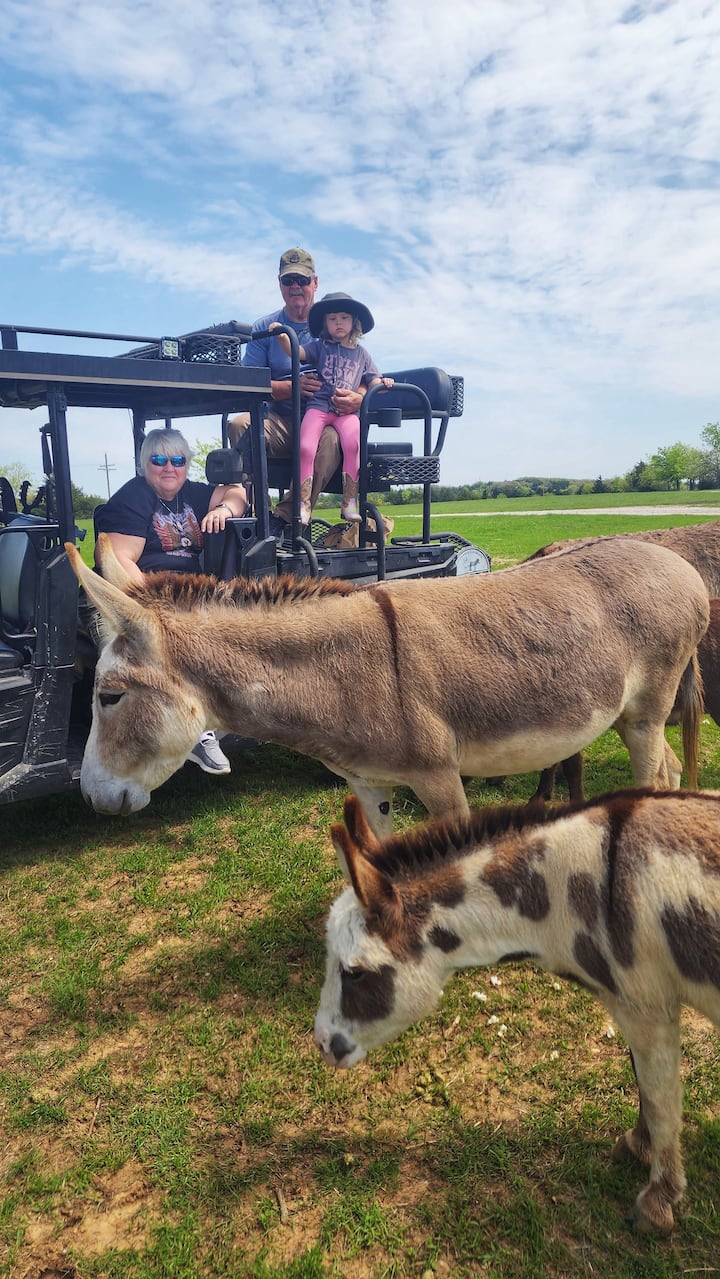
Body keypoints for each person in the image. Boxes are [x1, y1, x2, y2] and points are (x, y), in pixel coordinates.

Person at [94, 427, 247, 776]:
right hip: (129, 595)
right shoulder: (134, 497)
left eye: (177, 460)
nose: (169, 468)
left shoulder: (189, 493)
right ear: (144, 464)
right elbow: (119, 564)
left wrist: (224, 508)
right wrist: (154, 613)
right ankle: (186, 733)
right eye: (158, 460)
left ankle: (202, 723)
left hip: (183, 596)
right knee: (151, 651)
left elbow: (239, 492)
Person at [227, 248, 366, 537]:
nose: (295, 288)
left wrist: (359, 397)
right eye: (289, 281)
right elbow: (247, 384)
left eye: (302, 281)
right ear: (279, 284)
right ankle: (257, 517)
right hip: (281, 420)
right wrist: (290, 388)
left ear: (315, 283)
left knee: (328, 441)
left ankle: (287, 518)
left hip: (326, 419)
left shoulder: (334, 325)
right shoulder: (266, 329)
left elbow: (365, 373)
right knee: (239, 424)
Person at [269, 292, 393, 524]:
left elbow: (374, 380)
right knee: (305, 447)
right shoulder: (320, 347)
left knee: (353, 445)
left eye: (344, 317)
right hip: (319, 407)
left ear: (354, 322)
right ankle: (303, 504)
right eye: (333, 318)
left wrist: (384, 384)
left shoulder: (362, 355)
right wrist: (282, 336)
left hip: (346, 413)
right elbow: (297, 352)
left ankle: (350, 502)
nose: (339, 323)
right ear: (325, 323)